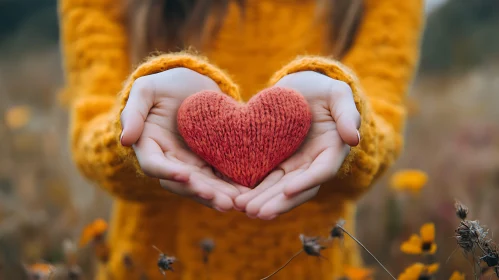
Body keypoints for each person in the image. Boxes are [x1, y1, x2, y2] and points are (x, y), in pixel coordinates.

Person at [59, 0, 424, 279]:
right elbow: (91, 131)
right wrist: (133, 129)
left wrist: (346, 120)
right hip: (151, 264)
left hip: (315, 266)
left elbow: (380, 129)